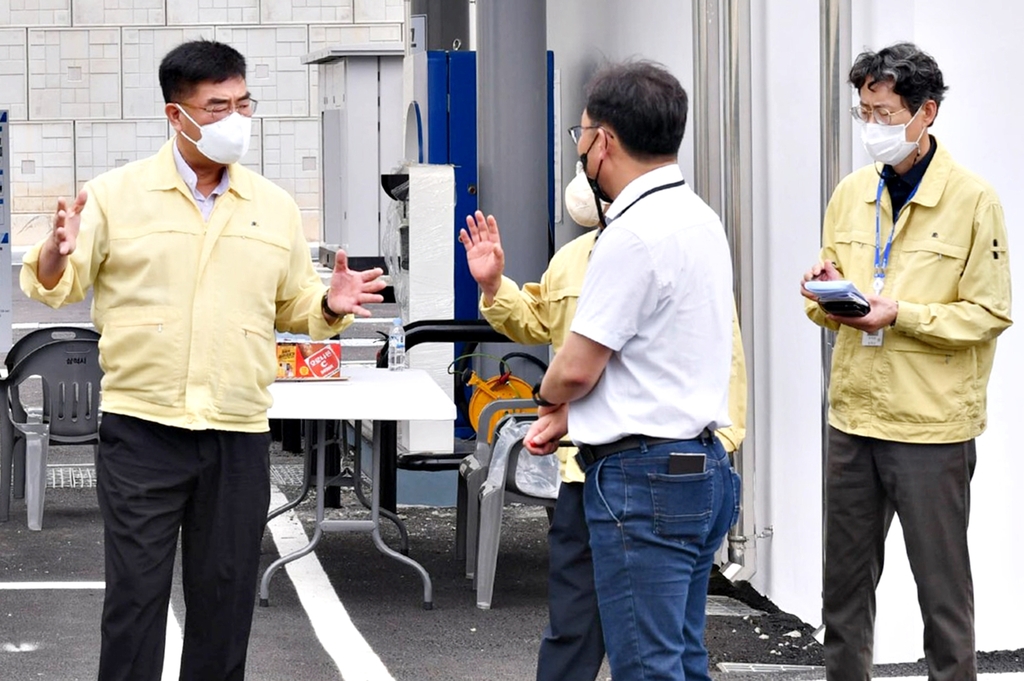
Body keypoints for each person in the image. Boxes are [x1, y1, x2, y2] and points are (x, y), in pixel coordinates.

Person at [20, 40, 385, 681]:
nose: (235, 119)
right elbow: (58, 283)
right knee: (135, 601)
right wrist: (55, 251)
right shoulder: (115, 195)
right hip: (142, 430)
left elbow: (294, 304)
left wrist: (329, 302)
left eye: (244, 103)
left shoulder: (271, 206)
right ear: (175, 114)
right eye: (217, 107)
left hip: (236, 432)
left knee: (225, 603)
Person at [460, 163, 748, 681]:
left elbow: (721, 356)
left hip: (654, 467)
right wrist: (493, 285)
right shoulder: (575, 258)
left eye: (588, 140)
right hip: (586, 467)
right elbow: (535, 318)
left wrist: (721, 439)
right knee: (578, 628)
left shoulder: (670, 240)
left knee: (664, 648)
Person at [800, 42, 1011, 681]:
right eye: (863, 109)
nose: (872, 126)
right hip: (854, 418)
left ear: (927, 114)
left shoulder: (974, 201)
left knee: (942, 599)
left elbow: (989, 313)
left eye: (885, 113)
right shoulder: (851, 194)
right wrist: (822, 291)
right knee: (842, 594)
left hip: (930, 429)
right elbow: (827, 305)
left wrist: (901, 314)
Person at [523, 60, 740, 681]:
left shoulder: (632, 233)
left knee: (647, 666)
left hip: (642, 479)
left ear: (604, 140)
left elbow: (577, 366)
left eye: (581, 134)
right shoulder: (700, 218)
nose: (581, 148)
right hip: (702, 466)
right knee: (679, 657)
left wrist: (550, 397)